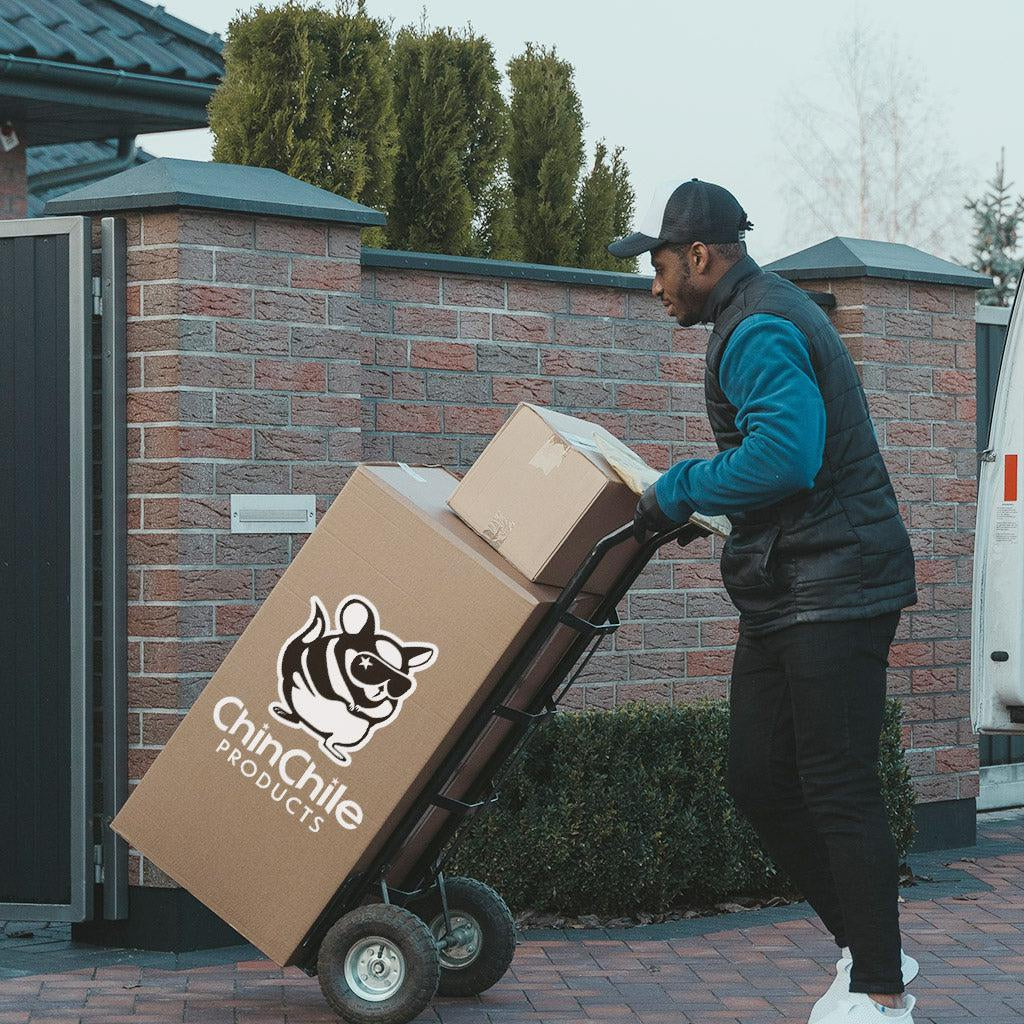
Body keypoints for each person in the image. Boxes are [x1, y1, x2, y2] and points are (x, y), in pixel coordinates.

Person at [609, 179, 920, 1023]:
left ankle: (882, 993)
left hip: (836, 588)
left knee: (837, 787)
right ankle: (868, 942)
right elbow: (777, 467)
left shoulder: (756, 326)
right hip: (795, 586)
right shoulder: (754, 313)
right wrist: (709, 500)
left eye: (661, 265)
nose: (655, 283)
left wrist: (680, 488)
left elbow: (786, 458)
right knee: (756, 776)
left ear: (700, 257)